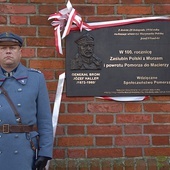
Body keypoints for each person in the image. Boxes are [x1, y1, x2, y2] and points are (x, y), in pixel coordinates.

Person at [0, 32, 53, 170]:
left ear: (20, 52)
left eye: (12, 48)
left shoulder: (36, 79)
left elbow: (45, 120)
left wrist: (45, 152)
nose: (8, 52)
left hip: (24, 151)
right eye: (3, 48)